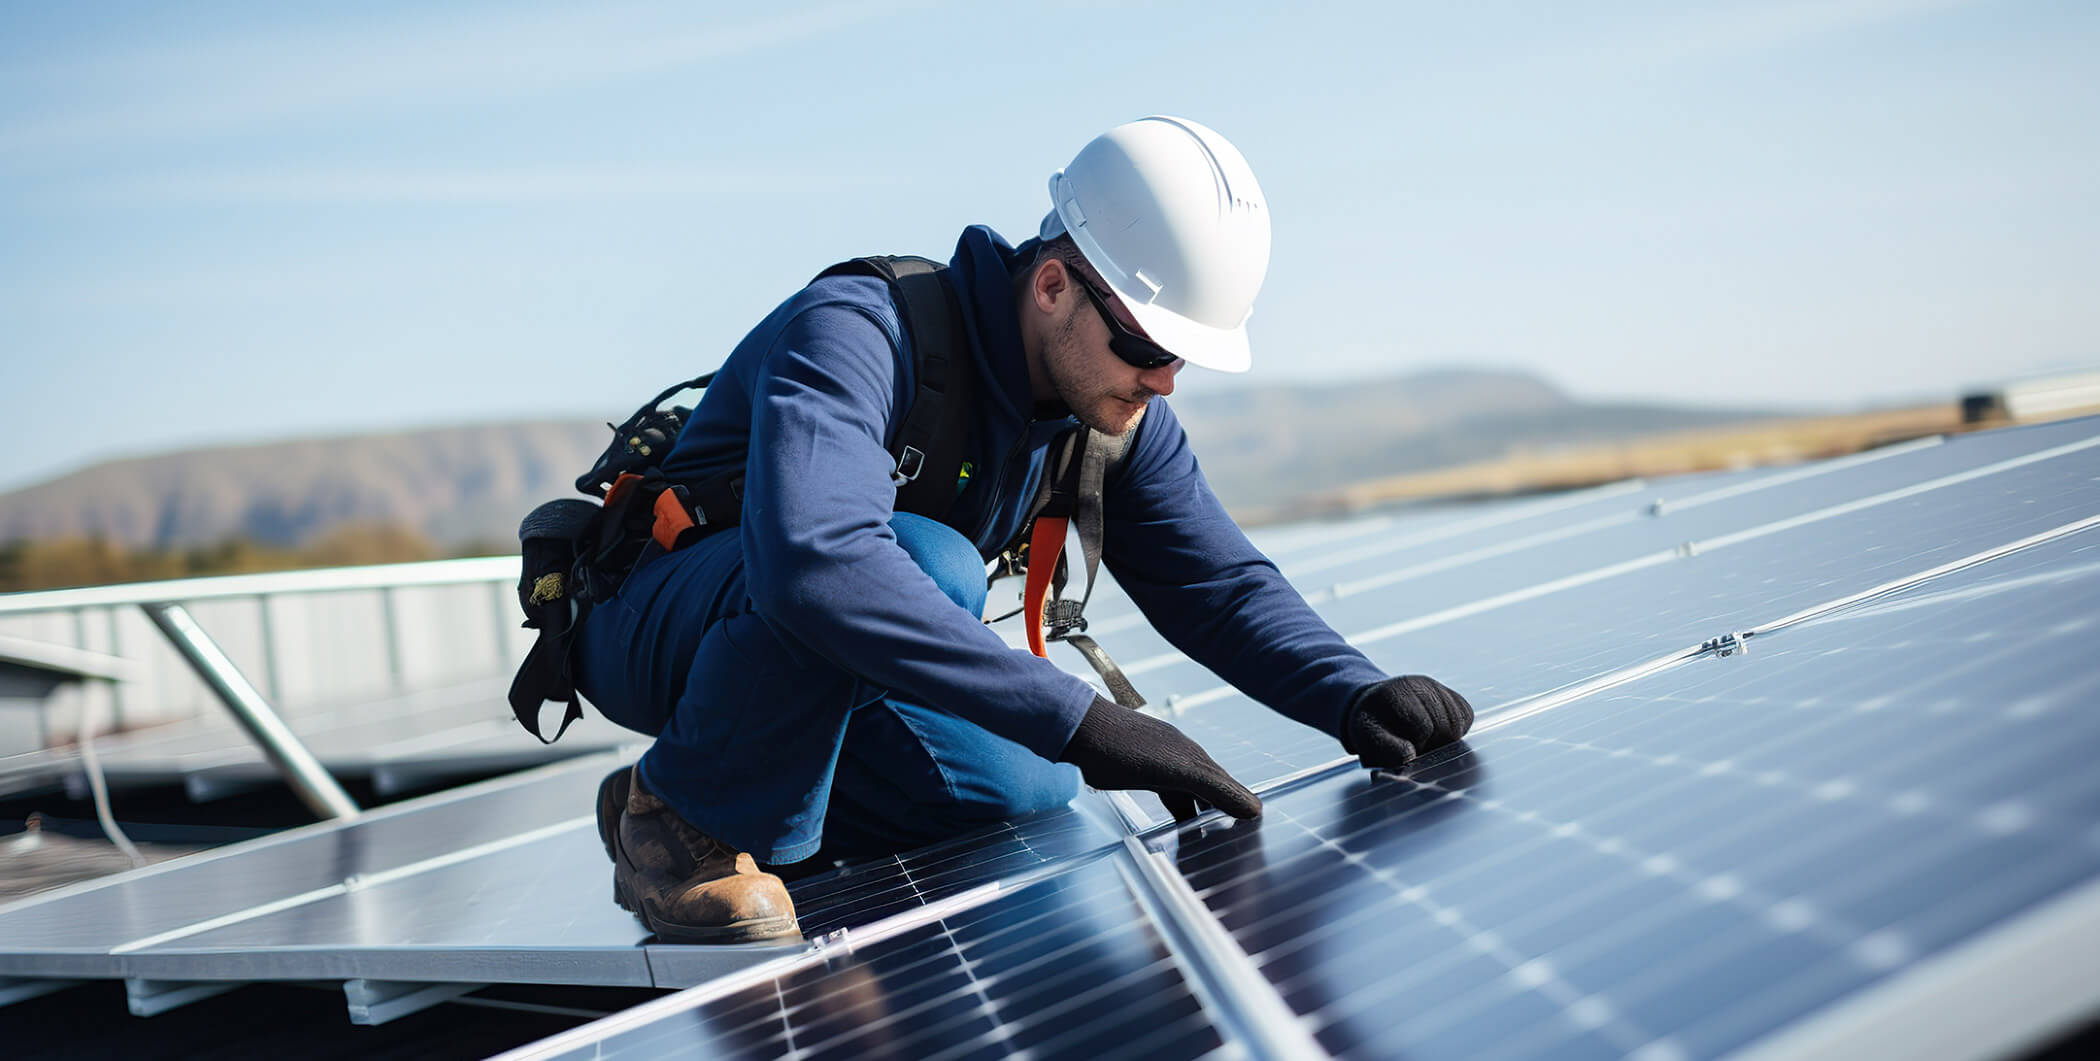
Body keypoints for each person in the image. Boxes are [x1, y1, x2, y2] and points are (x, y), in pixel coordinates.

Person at [574, 116, 1473, 944]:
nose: (1165, 383)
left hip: (814, 661)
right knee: (935, 564)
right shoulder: (860, 330)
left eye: (1182, 358)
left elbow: (1219, 586)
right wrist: (1081, 719)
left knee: (1029, 786)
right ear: (1053, 285)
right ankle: (685, 812)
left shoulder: (1108, 417)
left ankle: (708, 777)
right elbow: (818, 564)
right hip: (658, 616)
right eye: (1150, 350)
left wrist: (1355, 696)